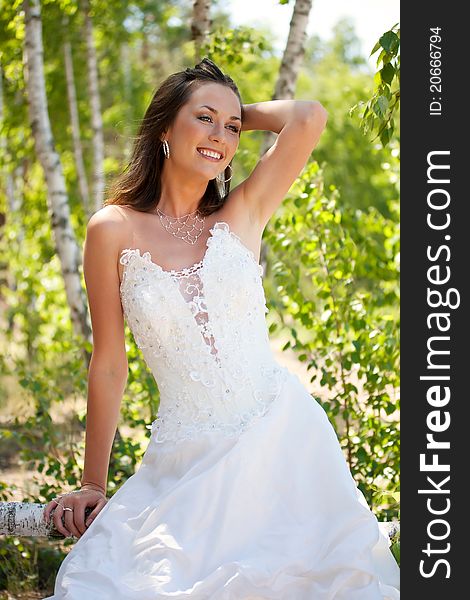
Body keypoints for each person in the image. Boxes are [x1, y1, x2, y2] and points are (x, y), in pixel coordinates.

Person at [43, 58, 400, 599]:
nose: (220, 136)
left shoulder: (242, 212)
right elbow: (110, 362)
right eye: (202, 119)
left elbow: (307, 117)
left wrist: (229, 117)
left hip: (281, 440)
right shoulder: (112, 229)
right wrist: (94, 482)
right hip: (185, 462)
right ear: (164, 125)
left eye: (231, 127)